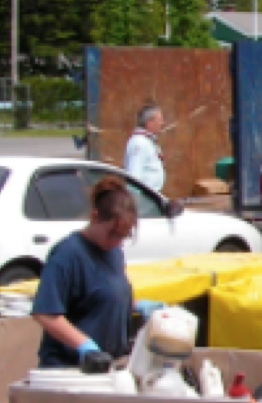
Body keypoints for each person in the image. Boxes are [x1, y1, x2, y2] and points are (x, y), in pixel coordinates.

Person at [31, 177, 165, 368]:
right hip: (69, 368)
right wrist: (83, 345)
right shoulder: (68, 255)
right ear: (95, 217)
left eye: (123, 237)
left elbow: (100, 295)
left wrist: (134, 305)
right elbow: (45, 313)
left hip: (105, 366)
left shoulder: (114, 252)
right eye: (112, 233)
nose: (117, 242)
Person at [125, 105, 166, 192]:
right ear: (149, 123)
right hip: (144, 199)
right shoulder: (139, 143)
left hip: (151, 197)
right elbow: (134, 176)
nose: (162, 123)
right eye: (160, 120)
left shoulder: (147, 142)